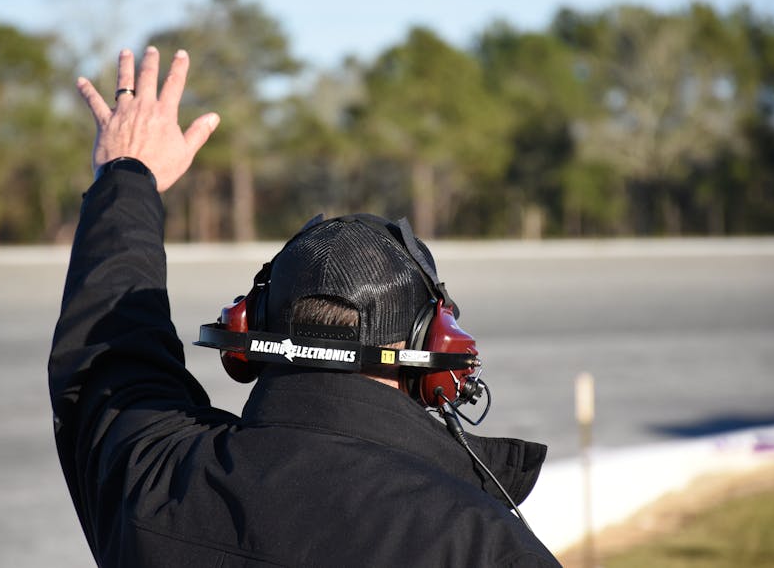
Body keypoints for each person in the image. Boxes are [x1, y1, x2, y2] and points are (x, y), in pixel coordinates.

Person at [50, 46, 560, 567]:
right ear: (434, 346)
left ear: (250, 330)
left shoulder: (154, 478)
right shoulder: (487, 548)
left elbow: (106, 358)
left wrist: (127, 177)